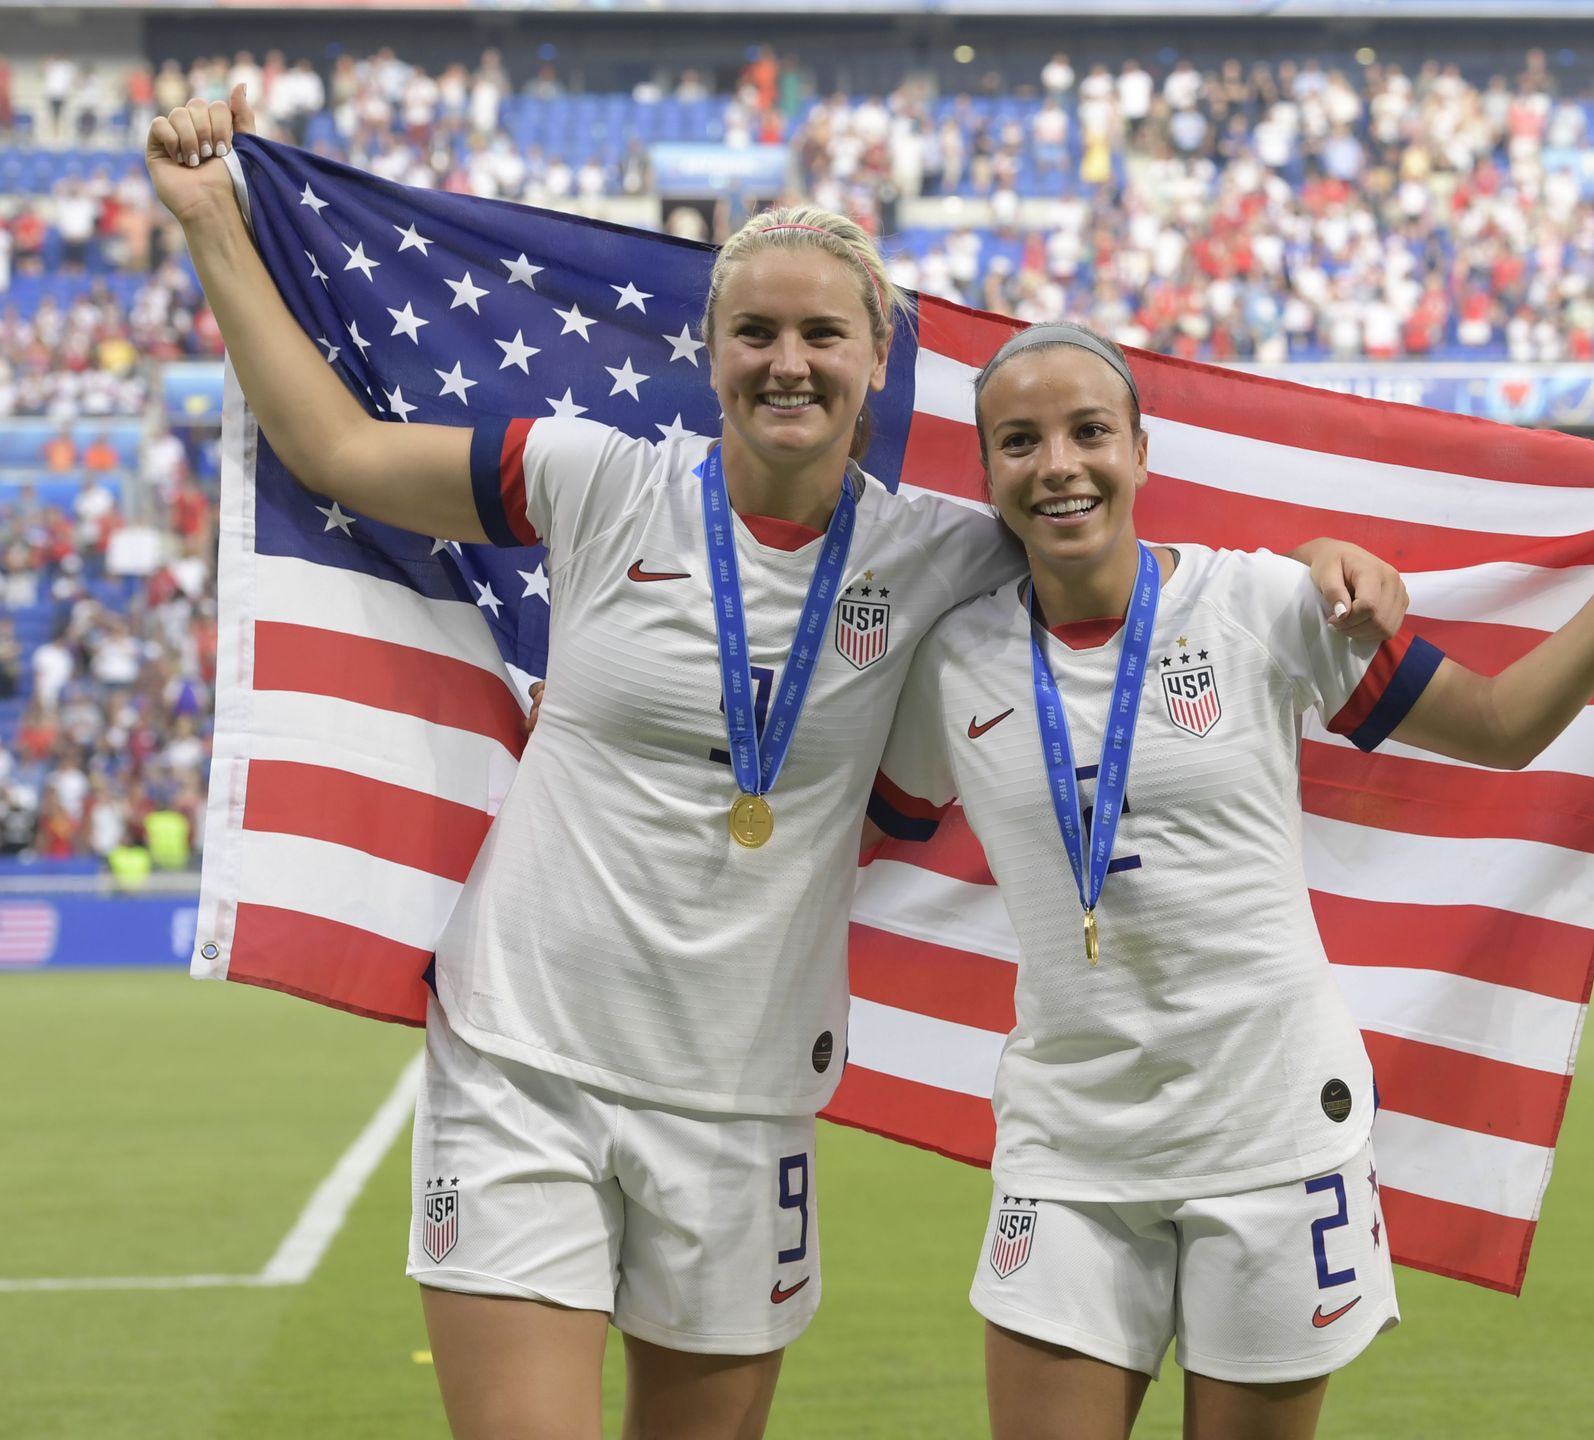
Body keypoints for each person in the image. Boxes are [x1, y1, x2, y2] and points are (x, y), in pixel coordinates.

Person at [147, 92, 1411, 1440]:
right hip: (524, 1057)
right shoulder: (595, 480)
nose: (789, 361)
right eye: (755, 332)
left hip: (746, 1096)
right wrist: (215, 224)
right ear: (708, 352)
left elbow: (1120, 543)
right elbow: (336, 450)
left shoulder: (947, 553)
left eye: (824, 334)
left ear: (881, 355)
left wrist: (1320, 562)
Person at [870, 324, 1594, 1440]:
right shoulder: (952, 659)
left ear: (1141, 452)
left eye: (1089, 431)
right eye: (1020, 440)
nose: (1058, 464)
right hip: (1069, 1142)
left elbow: (1501, 725)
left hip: (1275, 1131)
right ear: (990, 468)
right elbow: (851, 824)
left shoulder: (1264, 606)